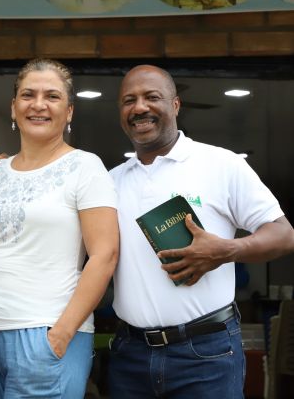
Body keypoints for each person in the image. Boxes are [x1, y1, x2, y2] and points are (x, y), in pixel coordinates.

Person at [108, 64, 294, 398]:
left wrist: (228, 250)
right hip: (130, 356)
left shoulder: (221, 165)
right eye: (129, 100)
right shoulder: (109, 181)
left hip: (206, 355)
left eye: (152, 97)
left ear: (176, 105)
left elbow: (284, 235)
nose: (140, 108)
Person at [0, 58, 120, 398]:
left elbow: (104, 255)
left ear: (70, 111)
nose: (38, 104)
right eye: (28, 95)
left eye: (52, 96)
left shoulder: (85, 167)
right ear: (13, 106)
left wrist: (60, 335)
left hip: (47, 331)